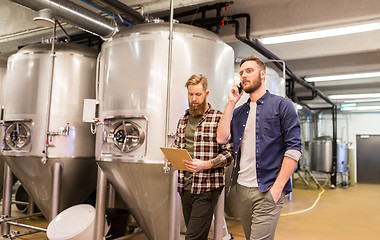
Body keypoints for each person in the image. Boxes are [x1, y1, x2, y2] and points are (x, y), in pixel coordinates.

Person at [217, 55, 302, 240]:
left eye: (249, 71)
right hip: (242, 189)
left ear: (262, 74)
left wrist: (277, 188)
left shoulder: (282, 105)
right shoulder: (239, 112)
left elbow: (294, 149)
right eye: (241, 73)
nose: (244, 76)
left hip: (268, 189)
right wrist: (230, 103)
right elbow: (222, 138)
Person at [165, 74, 233, 240]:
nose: (194, 99)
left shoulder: (218, 118)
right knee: (195, 235)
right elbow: (179, 145)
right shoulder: (183, 120)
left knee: (193, 237)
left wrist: (207, 164)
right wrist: (171, 154)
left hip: (207, 187)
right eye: (190, 94)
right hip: (185, 186)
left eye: (198, 94)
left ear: (206, 94)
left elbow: (229, 153)